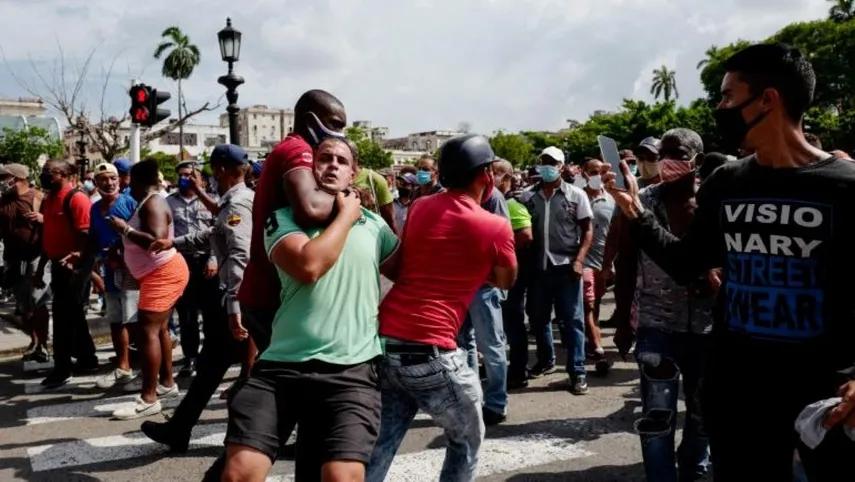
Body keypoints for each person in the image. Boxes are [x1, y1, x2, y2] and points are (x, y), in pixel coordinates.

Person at [602, 43, 855, 481]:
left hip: (824, 393)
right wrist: (637, 215)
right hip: (738, 387)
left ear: (768, 100)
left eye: (726, 96)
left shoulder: (845, 187)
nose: (719, 107)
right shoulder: (727, 181)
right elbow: (687, 262)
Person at [221, 137, 396, 482]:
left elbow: (408, 275)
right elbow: (309, 265)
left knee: (341, 477)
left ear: (353, 174)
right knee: (240, 472)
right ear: (310, 169)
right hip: (282, 367)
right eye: (324, 158)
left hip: (352, 372)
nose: (332, 165)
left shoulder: (375, 226)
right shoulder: (281, 219)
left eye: (341, 161)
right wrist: (347, 215)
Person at [367, 134, 517, 482]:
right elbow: (506, 279)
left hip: (387, 341)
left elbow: (415, 258)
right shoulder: (495, 226)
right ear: (487, 175)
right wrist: (470, 273)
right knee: (468, 438)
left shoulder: (420, 207)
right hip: (431, 351)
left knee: (382, 443)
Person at [142, 144, 254, 453]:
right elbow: (212, 234)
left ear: (219, 171)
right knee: (213, 366)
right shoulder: (235, 202)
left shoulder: (237, 205)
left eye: (212, 171)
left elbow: (239, 255)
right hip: (241, 299)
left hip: (241, 300)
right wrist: (173, 243)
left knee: (260, 370)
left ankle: (265, 437)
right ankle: (180, 429)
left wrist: (233, 304)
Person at [107, 159, 188, 420]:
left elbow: (157, 241)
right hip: (157, 273)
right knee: (160, 329)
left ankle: (148, 398)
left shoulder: (153, 201)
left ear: (138, 181)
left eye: (129, 180)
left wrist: (125, 229)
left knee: (148, 331)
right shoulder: (149, 200)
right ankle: (166, 384)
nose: (127, 186)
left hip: (162, 272)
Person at [519, 146, 593, 394]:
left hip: (567, 269)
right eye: (544, 162)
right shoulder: (527, 197)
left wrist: (579, 261)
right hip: (538, 268)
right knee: (538, 319)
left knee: (572, 321)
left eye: (553, 162)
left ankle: (577, 371)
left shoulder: (576, 195)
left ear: (562, 166)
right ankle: (546, 360)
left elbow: (587, 230)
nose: (547, 166)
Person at [35, 159, 98, 388]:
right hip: (57, 264)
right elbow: (48, 235)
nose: (44, 175)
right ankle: (87, 358)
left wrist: (77, 263)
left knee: (63, 317)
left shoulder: (76, 198)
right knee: (73, 315)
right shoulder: (49, 199)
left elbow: (86, 234)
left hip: (74, 266)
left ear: (62, 174)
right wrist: (42, 268)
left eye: (49, 172)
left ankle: (62, 369)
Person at [87, 163, 141, 390]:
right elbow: (93, 239)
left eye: (112, 178)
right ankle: (123, 367)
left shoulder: (129, 203)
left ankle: (145, 369)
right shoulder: (94, 208)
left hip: (132, 271)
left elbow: (141, 235)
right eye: (103, 180)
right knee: (116, 321)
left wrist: (122, 251)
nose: (108, 183)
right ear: (96, 183)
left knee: (136, 321)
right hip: (109, 273)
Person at [166, 161, 219, 378]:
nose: (185, 178)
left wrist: (214, 259)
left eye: (189, 174)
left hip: (207, 261)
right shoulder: (168, 202)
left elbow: (218, 233)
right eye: (181, 175)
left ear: (199, 178)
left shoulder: (211, 200)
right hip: (182, 262)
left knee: (211, 313)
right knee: (186, 315)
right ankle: (190, 358)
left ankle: (210, 357)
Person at [0, 163, 50, 363]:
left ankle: (44, 345)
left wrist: (42, 219)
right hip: (13, 259)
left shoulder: (38, 198)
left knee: (38, 301)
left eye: (4, 178)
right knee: (23, 305)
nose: (2, 182)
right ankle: (35, 341)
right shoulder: (3, 201)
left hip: (36, 257)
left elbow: (55, 224)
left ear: (18, 178)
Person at [493, 159, 534, 388]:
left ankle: (519, 370)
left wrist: (500, 249)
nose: (491, 176)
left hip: (511, 274)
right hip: (499, 274)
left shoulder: (512, 205)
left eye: (496, 173)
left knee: (513, 322)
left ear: (507, 178)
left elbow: (526, 235)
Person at [580, 157, 615, 358]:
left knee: (597, 303)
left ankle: (591, 333)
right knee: (588, 303)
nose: (596, 176)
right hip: (584, 260)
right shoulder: (578, 198)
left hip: (605, 261)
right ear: (584, 174)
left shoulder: (611, 199)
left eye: (600, 172)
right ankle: (597, 346)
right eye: (592, 172)